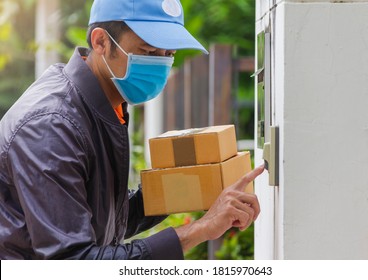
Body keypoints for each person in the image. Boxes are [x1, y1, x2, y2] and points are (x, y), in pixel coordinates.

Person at [0, 0, 263, 259]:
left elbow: (108, 219)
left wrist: (201, 185)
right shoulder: (50, 127)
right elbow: (73, 262)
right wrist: (198, 230)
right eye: (149, 52)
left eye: (169, 54)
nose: (161, 64)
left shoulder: (101, 105)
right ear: (100, 41)